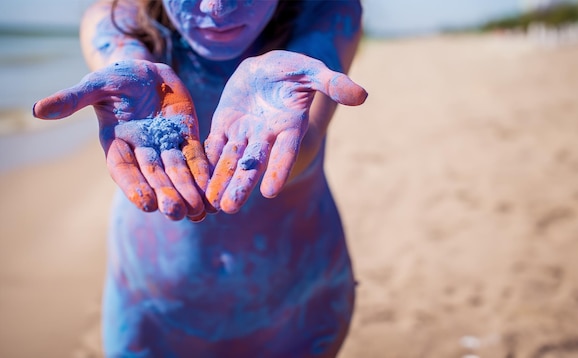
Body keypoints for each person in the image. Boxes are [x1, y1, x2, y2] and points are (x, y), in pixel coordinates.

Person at [33, 0, 367, 356]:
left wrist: (269, 141)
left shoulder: (327, 9)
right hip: (151, 312)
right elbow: (125, 54)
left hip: (299, 306)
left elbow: (304, 143)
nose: (216, 7)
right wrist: (132, 69)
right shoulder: (117, 16)